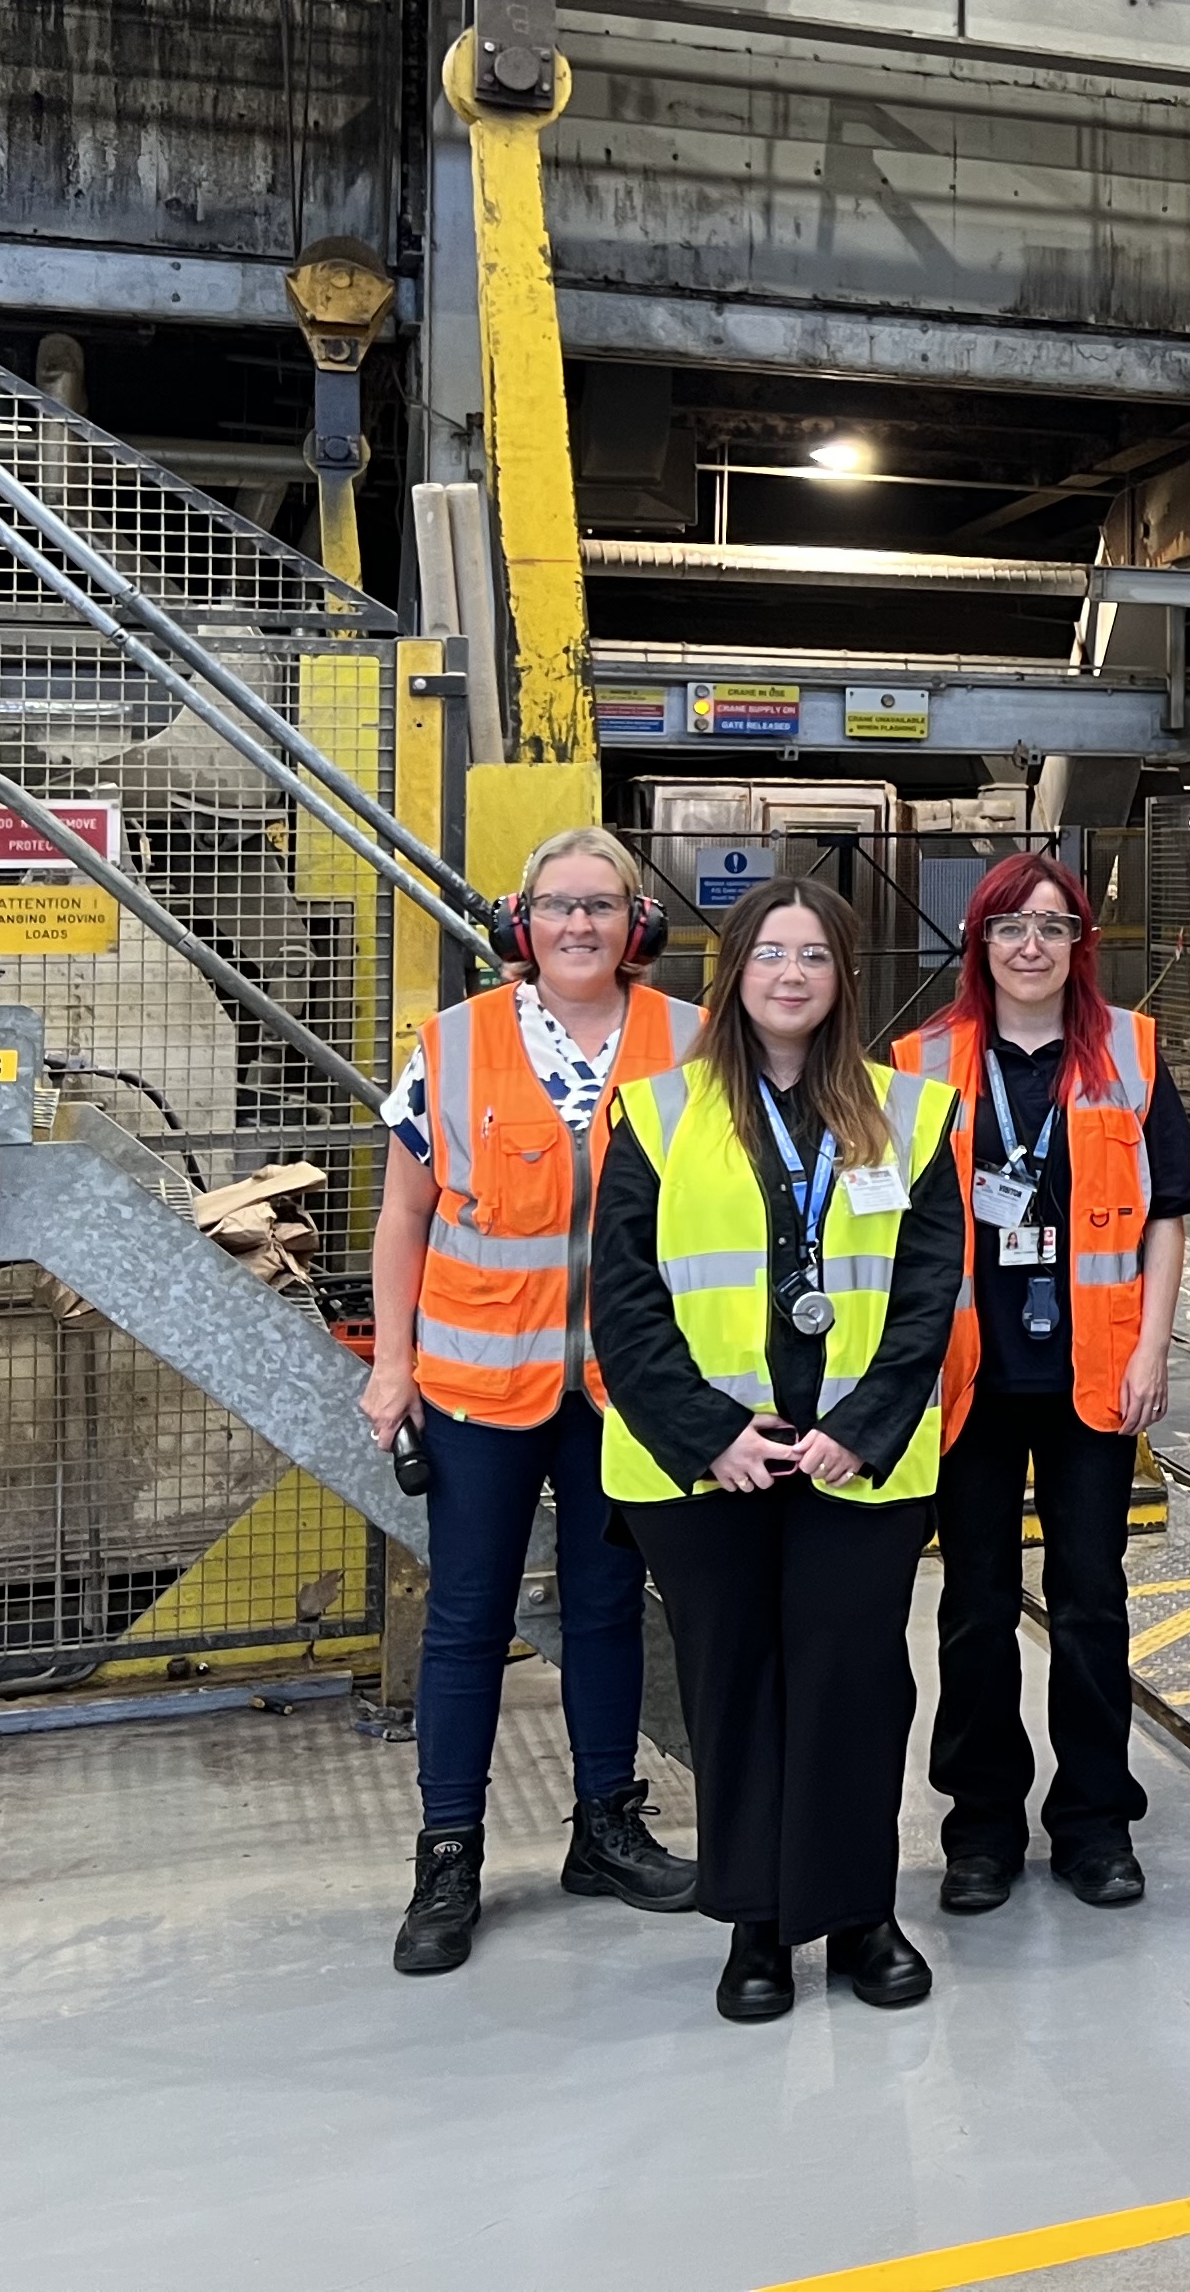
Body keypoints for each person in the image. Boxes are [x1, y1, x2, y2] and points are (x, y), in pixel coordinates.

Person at [591, 879, 964, 2022]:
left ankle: (859, 1913)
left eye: (814, 955)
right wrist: (711, 1437)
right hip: (712, 1471)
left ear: (845, 978)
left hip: (858, 1463)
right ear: (734, 974)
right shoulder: (658, 1113)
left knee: (856, 1686)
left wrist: (860, 1428)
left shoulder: (910, 1114)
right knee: (734, 1688)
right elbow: (625, 1298)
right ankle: (754, 1922)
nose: (791, 975)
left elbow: (925, 1291)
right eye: (770, 954)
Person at [362, 823, 703, 1976]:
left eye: (601, 906)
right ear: (522, 922)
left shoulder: (691, 1042)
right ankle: (447, 1852)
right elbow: (405, 1213)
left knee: (612, 1605)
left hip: (624, 1392)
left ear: (635, 926)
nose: (578, 925)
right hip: (476, 1388)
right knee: (468, 1621)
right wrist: (392, 1360)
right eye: (557, 905)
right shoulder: (452, 1046)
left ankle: (606, 1825)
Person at [888, 851, 1190, 1921]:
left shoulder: (1131, 1056)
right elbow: (890, 1234)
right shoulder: (918, 1065)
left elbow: (1167, 1216)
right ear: (979, 945)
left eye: (1053, 928)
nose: (1031, 947)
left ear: (1080, 944)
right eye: (1009, 929)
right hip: (968, 1380)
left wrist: (1154, 1347)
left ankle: (1094, 1818)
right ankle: (980, 1825)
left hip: (1094, 1373)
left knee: (1090, 1600)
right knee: (973, 1606)